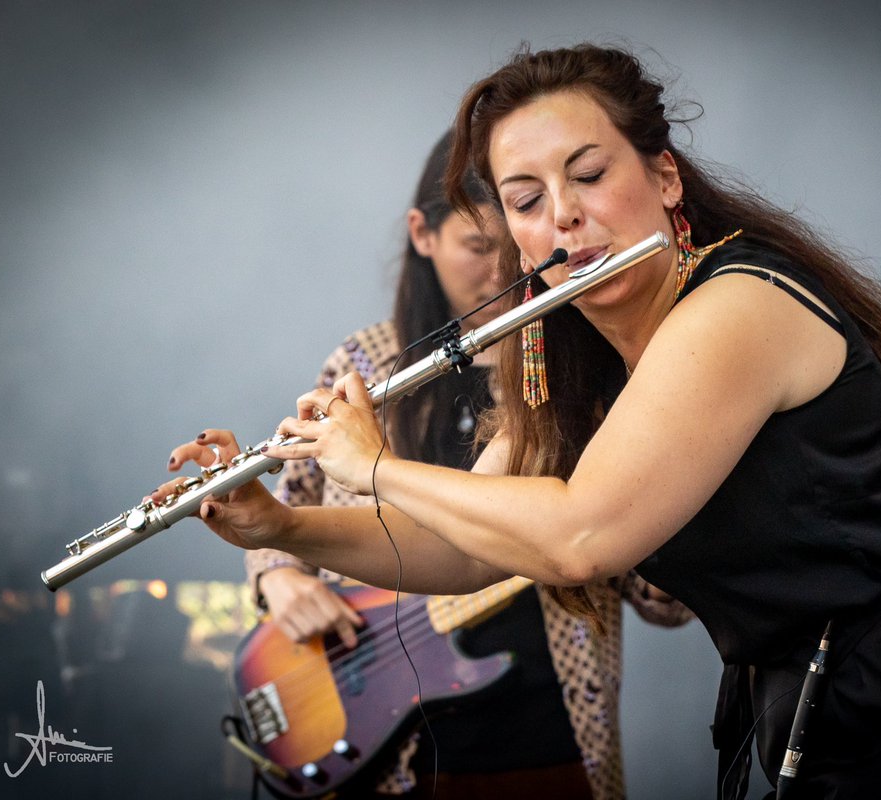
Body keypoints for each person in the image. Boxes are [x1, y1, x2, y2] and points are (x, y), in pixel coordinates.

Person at [161, 44, 881, 799]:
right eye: (526, 201)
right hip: (815, 704)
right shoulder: (579, 362)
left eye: (590, 175)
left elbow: (578, 539)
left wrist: (373, 462)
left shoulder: (738, 306)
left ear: (665, 178)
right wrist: (282, 526)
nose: (564, 216)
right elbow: (469, 546)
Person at [240, 130, 692, 800]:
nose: (501, 273)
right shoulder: (364, 363)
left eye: (512, 249)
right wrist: (276, 577)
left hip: (548, 739)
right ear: (422, 234)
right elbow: (291, 504)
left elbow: (665, 602)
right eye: (478, 248)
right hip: (382, 745)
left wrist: (660, 498)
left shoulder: (578, 372)